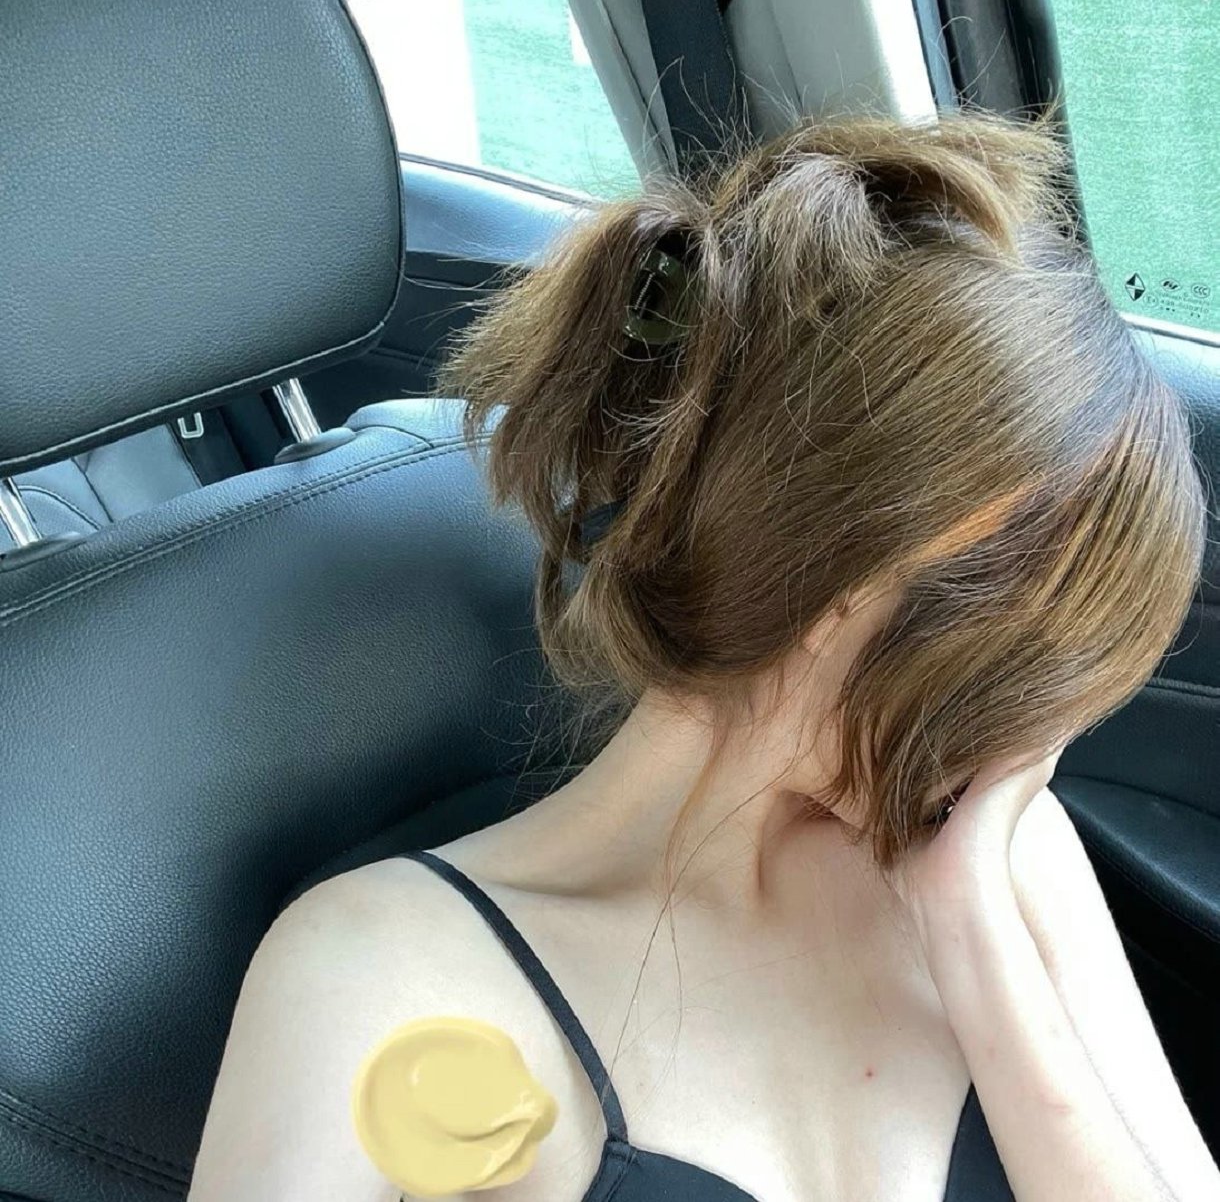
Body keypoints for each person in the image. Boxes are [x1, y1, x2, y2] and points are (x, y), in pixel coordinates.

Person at [189, 114, 1217, 1201]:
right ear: (841, 582)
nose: (1050, 729)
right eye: (1045, 658)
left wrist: (971, 934)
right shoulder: (388, 977)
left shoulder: (1005, 856)